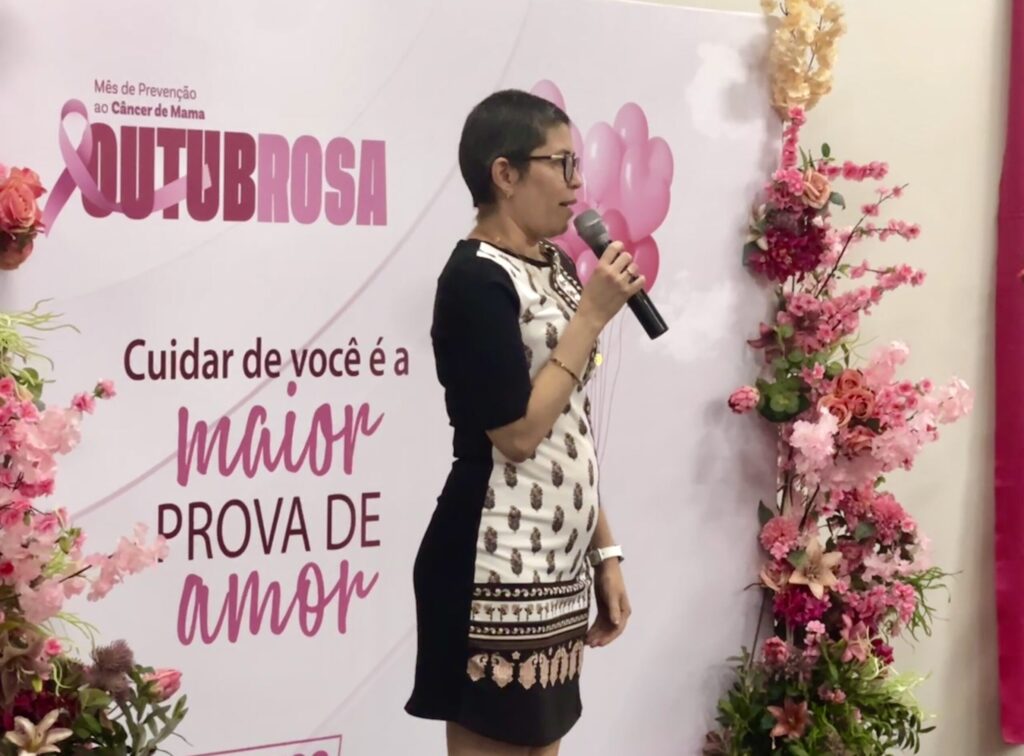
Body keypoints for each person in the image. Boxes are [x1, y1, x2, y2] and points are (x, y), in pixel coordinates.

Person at [405, 89, 643, 756]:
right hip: (494, 562)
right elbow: (516, 435)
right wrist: (590, 318)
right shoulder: (474, 280)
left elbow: (571, 424)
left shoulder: (557, 265)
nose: (576, 185)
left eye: (578, 165)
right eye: (560, 164)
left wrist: (604, 552)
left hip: (556, 561)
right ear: (505, 174)